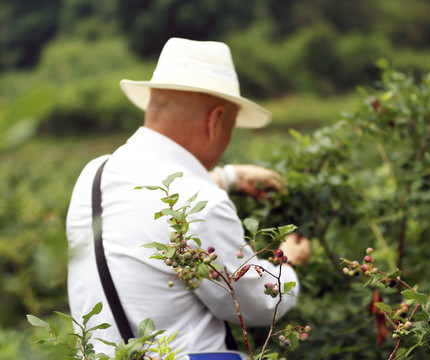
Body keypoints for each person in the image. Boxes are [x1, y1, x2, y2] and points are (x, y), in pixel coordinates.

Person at [66, 37, 311, 357]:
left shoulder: (94, 174)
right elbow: (259, 304)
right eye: (231, 126)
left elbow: (148, 200)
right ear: (214, 120)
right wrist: (286, 262)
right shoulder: (203, 202)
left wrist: (228, 177)